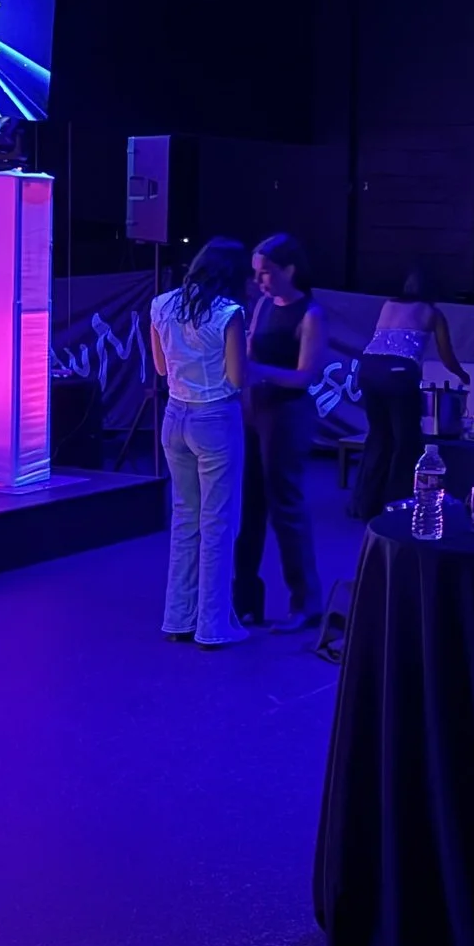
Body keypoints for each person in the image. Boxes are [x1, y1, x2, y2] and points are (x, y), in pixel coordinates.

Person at [148, 239, 251, 649]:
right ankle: (212, 625)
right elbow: (238, 378)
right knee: (219, 522)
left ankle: (178, 618)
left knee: (185, 518)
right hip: (215, 418)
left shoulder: (160, 305)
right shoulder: (229, 313)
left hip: (174, 415)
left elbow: (159, 367)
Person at [235, 234, 325, 632]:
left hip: (288, 415)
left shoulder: (311, 314)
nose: (261, 281)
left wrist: (259, 373)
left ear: (290, 270)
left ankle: (305, 603)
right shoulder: (262, 308)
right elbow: (249, 352)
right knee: (248, 505)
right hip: (255, 410)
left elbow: (306, 375)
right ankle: (245, 601)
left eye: (267, 273)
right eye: (257, 274)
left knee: (285, 506)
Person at [349, 269, 469, 520]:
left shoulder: (389, 304)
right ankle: (395, 506)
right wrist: (462, 374)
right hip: (400, 374)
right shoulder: (433, 313)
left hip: (369, 368)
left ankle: (364, 505)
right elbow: (446, 356)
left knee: (379, 437)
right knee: (405, 442)